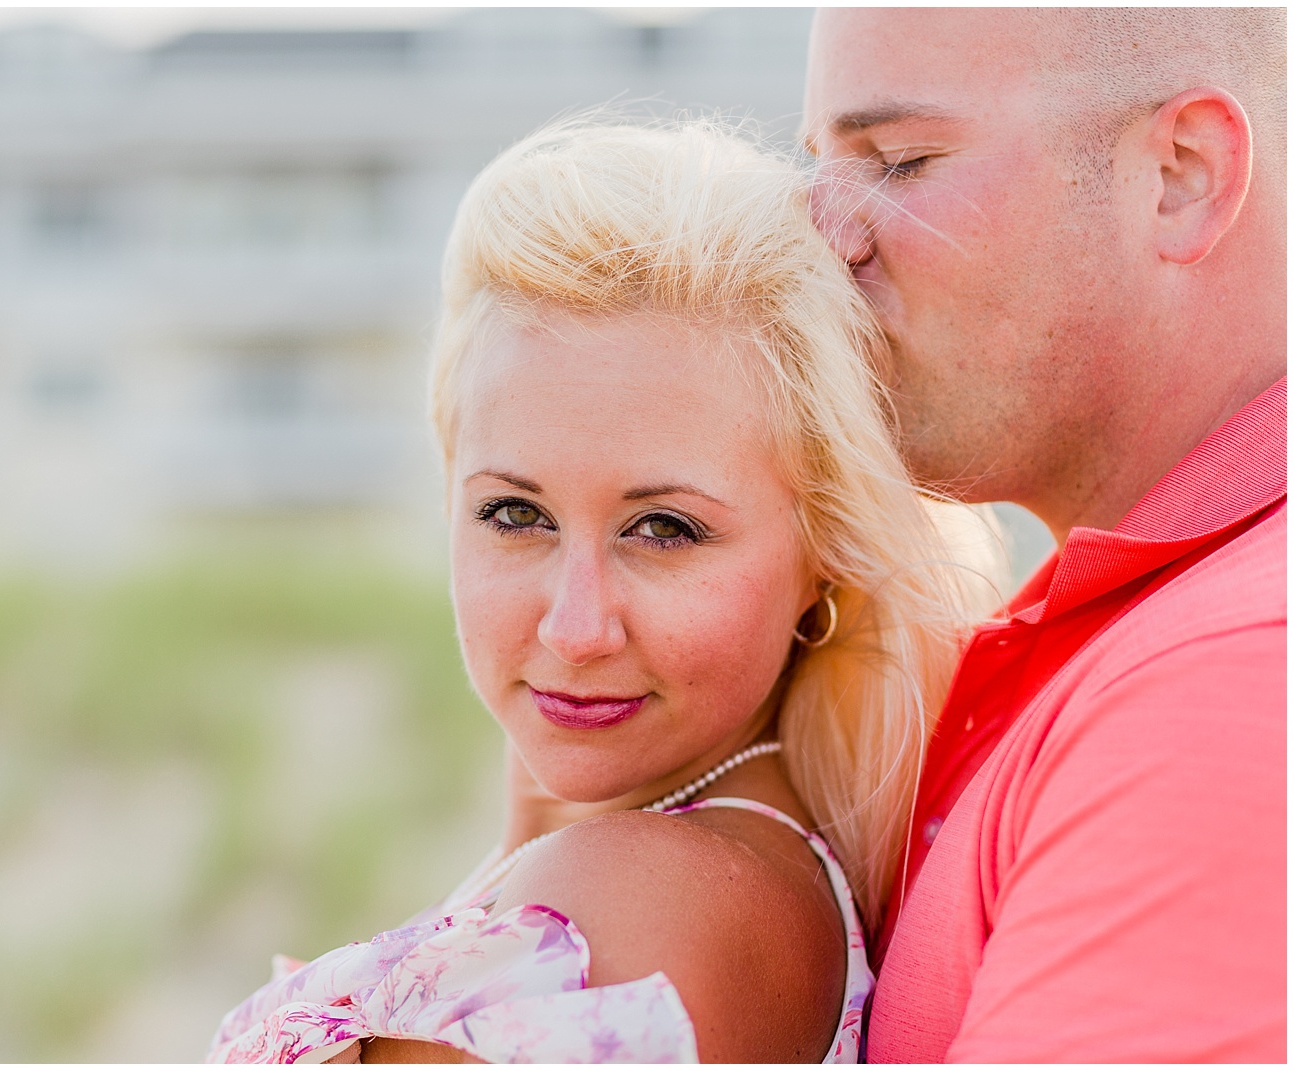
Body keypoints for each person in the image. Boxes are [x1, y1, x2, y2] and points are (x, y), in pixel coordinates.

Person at [205, 116, 1002, 1063]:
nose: (575, 627)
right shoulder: (715, 866)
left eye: (664, 529)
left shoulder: (637, 903)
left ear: (822, 548)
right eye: (514, 514)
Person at [802, 8, 1285, 1062]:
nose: (822, 234)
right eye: (819, 169)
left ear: (1180, 175)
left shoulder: (1231, 677)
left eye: (898, 160)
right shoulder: (1142, 620)